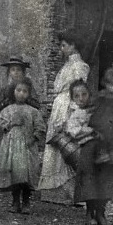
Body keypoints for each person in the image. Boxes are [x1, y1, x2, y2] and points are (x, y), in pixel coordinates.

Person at [38, 32, 90, 205]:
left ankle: (70, 192)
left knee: (67, 145)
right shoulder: (67, 65)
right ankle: (55, 192)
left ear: (73, 45)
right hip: (60, 104)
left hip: (68, 106)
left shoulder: (80, 66)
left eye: (64, 45)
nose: (61, 49)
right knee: (57, 144)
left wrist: (72, 112)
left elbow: (79, 90)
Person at [78, 67, 113, 225]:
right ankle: (89, 213)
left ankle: (101, 212)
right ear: (106, 83)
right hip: (94, 143)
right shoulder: (99, 98)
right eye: (111, 84)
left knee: (106, 180)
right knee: (90, 178)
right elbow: (85, 116)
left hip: (112, 146)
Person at [0, 79, 46, 214]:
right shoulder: (7, 110)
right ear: (13, 92)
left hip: (27, 146)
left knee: (26, 175)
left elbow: (40, 127)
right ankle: (15, 201)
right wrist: (10, 123)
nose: (21, 94)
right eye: (18, 90)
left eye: (25, 91)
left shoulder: (33, 111)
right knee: (14, 174)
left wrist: (34, 138)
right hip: (11, 146)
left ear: (29, 94)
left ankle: (26, 202)